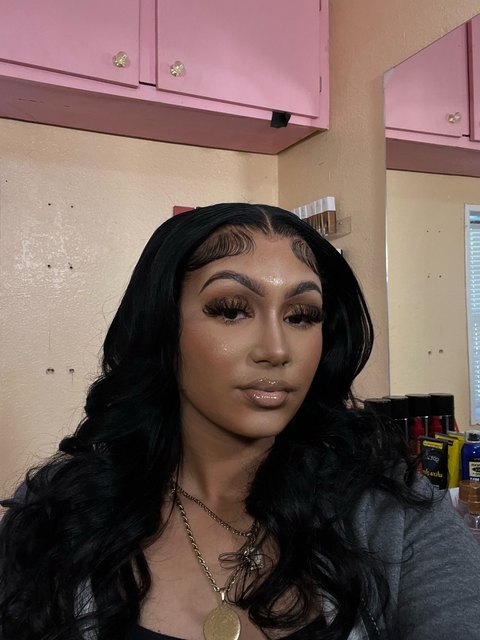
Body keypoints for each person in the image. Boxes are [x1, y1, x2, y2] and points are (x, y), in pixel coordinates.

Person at [0, 202, 479, 640]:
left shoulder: (396, 514)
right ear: (162, 328)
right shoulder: (58, 511)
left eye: (301, 316)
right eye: (231, 311)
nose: (276, 349)